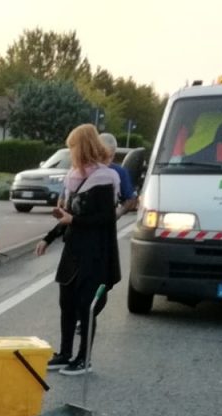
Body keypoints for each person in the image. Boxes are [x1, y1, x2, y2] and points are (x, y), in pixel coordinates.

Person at [34, 123, 121, 376]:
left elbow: (106, 218)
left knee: (86, 306)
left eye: (73, 147)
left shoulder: (104, 178)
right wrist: (48, 238)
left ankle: (84, 358)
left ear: (82, 147)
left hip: (95, 252)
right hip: (73, 249)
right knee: (67, 303)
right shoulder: (74, 177)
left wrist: (74, 220)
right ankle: (64, 353)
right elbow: (69, 216)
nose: (70, 152)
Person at [99, 132, 137, 214]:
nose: (107, 161)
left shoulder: (119, 172)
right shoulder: (84, 169)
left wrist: (118, 213)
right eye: (102, 156)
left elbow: (130, 199)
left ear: (114, 154)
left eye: (110, 156)